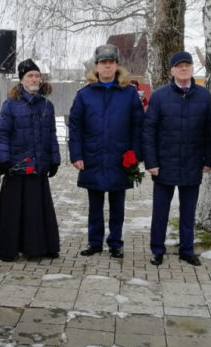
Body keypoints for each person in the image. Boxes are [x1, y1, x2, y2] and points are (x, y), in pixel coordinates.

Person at [69, 44, 144, 259]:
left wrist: (136, 155)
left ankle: (115, 242)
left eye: (111, 62)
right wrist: (77, 155)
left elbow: (138, 125)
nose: (107, 66)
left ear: (117, 65)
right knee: (95, 204)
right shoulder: (85, 94)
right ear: (97, 67)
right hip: (93, 156)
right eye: (103, 63)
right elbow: (76, 126)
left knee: (117, 205)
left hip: (120, 158)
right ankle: (94, 242)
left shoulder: (128, 93)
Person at [143, 51, 211, 266]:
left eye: (188, 65)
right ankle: (157, 249)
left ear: (193, 69)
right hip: (165, 164)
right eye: (179, 66)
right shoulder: (160, 96)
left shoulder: (204, 96)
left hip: (192, 162)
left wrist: (209, 159)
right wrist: (151, 162)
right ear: (172, 70)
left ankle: (187, 249)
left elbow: (209, 131)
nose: (184, 69)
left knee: (188, 211)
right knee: (160, 212)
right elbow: (149, 131)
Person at [0, 58, 61, 261]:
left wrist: (55, 159)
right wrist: (3, 159)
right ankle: (8, 248)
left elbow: (52, 134)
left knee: (38, 209)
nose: (34, 79)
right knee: (13, 209)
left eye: (37, 75)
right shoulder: (10, 105)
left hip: (39, 165)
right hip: (17, 164)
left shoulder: (47, 105)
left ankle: (42, 247)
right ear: (22, 79)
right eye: (30, 75)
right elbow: (2, 133)